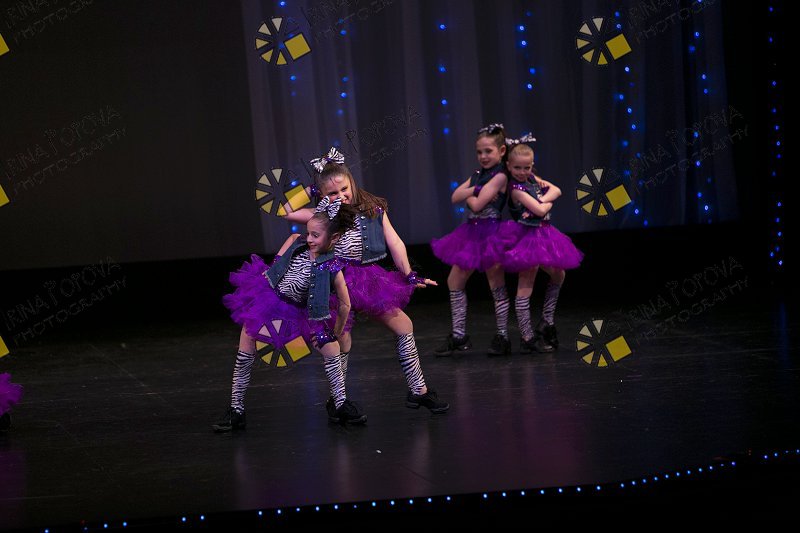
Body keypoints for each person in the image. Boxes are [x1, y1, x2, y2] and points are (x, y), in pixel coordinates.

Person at [282, 147, 450, 414]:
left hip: (367, 280)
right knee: (342, 339)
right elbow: (286, 210)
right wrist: (312, 189)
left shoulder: (373, 209)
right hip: (335, 280)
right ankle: (338, 401)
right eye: (331, 193)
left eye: (344, 189)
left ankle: (418, 391)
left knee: (404, 325)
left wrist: (408, 274)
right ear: (322, 195)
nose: (340, 196)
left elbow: (395, 242)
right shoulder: (321, 216)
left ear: (352, 183)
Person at [214, 197, 365, 431]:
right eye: (309, 233)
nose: (309, 239)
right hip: (273, 302)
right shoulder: (297, 242)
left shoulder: (332, 267)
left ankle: (341, 403)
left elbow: (345, 305)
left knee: (332, 348)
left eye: (316, 235)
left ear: (334, 238)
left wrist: (335, 333)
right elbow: (283, 253)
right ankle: (236, 409)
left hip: (304, 313)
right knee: (247, 341)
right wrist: (271, 271)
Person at [431, 124, 513, 356]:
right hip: (471, 233)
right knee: (454, 281)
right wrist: (476, 189)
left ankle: (503, 336)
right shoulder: (478, 175)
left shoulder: (500, 176)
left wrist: (471, 193)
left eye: (488, 151)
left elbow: (475, 205)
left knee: (496, 284)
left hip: (491, 233)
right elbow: (454, 196)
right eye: (479, 152)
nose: (483, 156)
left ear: (502, 151)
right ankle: (459, 336)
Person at [501, 136, 583, 352]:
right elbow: (538, 210)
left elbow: (557, 190)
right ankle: (527, 336)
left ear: (532, 165)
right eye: (517, 167)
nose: (522, 172)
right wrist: (546, 203)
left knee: (559, 274)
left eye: (526, 167)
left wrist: (545, 199)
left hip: (545, 235)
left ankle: (547, 320)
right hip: (528, 238)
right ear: (508, 166)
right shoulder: (516, 188)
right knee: (526, 284)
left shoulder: (532, 179)